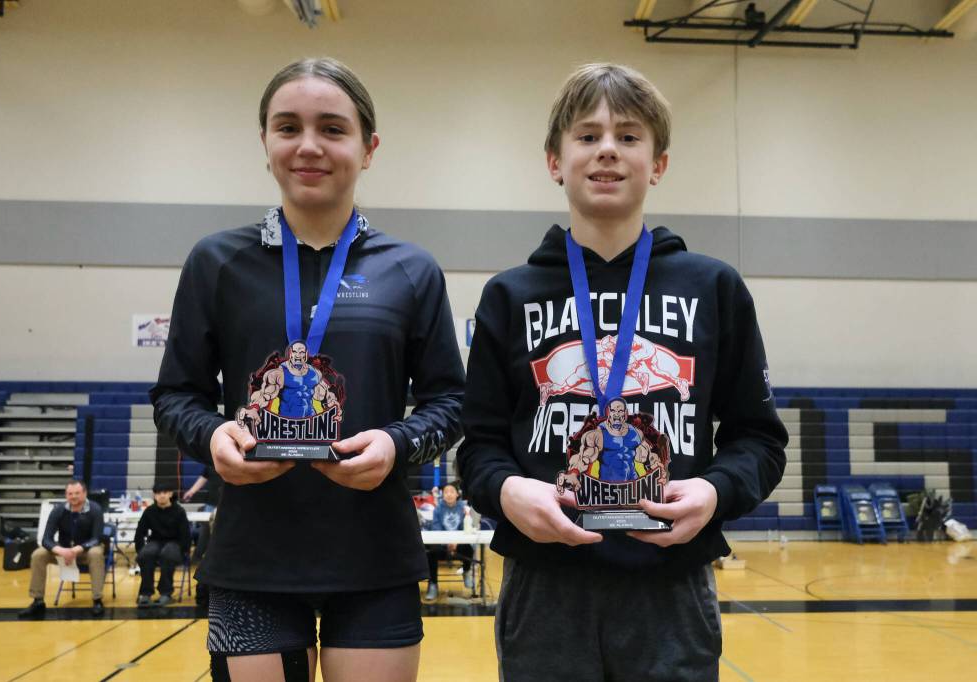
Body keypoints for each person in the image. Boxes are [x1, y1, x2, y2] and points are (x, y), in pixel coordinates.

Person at [457, 63, 788, 681]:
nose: (607, 149)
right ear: (555, 160)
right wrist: (507, 492)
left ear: (658, 163)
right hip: (544, 584)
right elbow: (479, 449)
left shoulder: (714, 287)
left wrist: (714, 491)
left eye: (629, 136)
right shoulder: (509, 295)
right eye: (587, 136)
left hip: (671, 583)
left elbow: (760, 441)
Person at [151, 57, 464, 682]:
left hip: (375, 556)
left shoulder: (411, 269)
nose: (309, 146)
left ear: (369, 147)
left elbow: (451, 403)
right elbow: (175, 396)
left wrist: (397, 444)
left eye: (333, 128)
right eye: (288, 127)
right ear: (265, 143)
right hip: (251, 560)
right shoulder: (217, 262)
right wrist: (215, 436)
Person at [18, 480, 106, 618]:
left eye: (77, 493)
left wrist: (79, 548)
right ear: (66, 495)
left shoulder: (95, 510)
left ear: (84, 493)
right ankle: (38, 600)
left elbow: (97, 538)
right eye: (70, 493)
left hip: (86, 551)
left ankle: (97, 600)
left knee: (96, 553)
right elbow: (46, 539)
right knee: (38, 555)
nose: (74, 496)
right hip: (63, 551)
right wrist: (61, 551)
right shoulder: (58, 510)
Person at [135, 482, 191, 607]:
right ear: (154, 496)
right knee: (145, 555)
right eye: (158, 493)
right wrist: (140, 550)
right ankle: (145, 593)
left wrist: (184, 551)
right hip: (156, 541)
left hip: (175, 543)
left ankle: (166, 593)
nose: (161, 496)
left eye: (164, 493)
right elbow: (140, 532)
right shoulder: (149, 511)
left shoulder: (179, 512)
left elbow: (185, 535)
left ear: (170, 494)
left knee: (167, 554)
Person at [423, 482, 474, 601]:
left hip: (459, 545)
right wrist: (447, 543)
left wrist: (456, 542)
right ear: (443, 495)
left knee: (468, 548)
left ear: (457, 494)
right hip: (443, 546)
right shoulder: (438, 509)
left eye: (452, 491)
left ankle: (466, 571)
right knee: (431, 553)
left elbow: (465, 528)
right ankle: (433, 584)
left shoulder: (463, 508)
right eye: (446, 492)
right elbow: (436, 529)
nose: (449, 494)